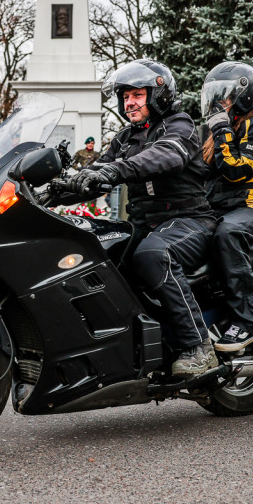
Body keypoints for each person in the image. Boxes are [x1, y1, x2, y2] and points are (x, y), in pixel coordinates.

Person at [69, 59, 217, 377]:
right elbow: (97, 171)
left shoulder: (180, 126)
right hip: (144, 224)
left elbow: (163, 155)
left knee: (152, 254)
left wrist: (114, 169)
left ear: (157, 94)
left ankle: (198, 347)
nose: (129, 102)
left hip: (189, 222)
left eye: (137, 94)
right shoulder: (124, 139)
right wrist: (55, 187)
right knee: (97, 256)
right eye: (125, 97)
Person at [199, 61, 253, 352]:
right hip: (219, 209)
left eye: (223, 97)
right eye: (214, 97)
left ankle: (247, 320)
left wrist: (222, 131)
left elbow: (236, 169)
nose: (216, 104)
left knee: (227, 235)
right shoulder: (215, 130)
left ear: (244, 96)